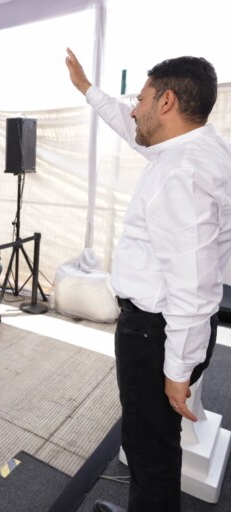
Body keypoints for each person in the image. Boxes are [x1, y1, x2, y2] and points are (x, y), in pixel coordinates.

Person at [66, 50, 231, 512]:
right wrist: (87, 90)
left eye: (140, 99)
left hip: (152, 332)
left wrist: (177, 371)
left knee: (148, 446)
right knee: (152, 440)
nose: (133, 108)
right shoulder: (198, 146)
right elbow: (131, 128)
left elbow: (193, 284)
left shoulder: (182, 172)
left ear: (167, 103)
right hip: (166, 329)